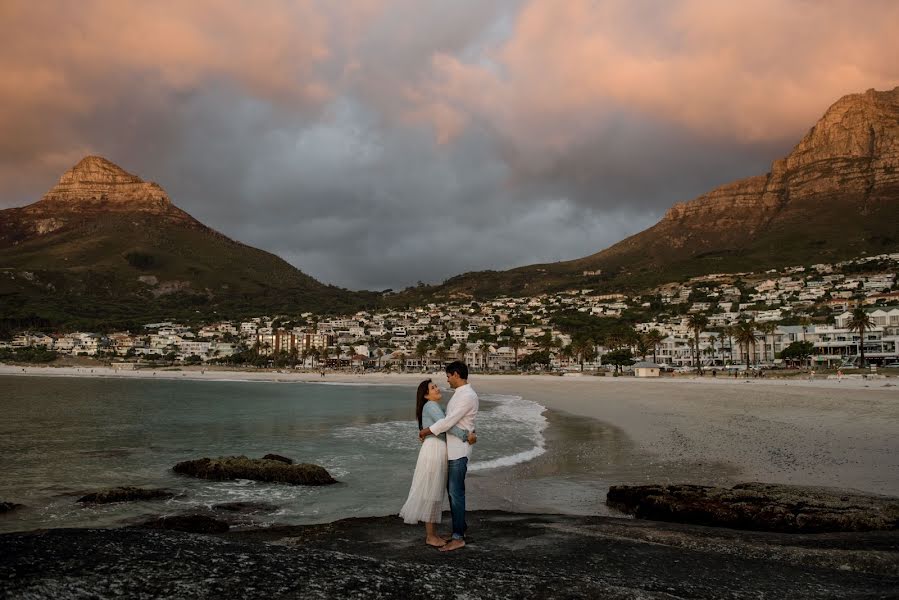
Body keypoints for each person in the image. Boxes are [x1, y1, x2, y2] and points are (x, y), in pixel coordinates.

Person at [399, 379, 475, 547]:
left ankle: (432, 533)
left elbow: (443, 425)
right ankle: (431, 536)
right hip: (434, 450)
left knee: (433, 490)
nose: (437, 388)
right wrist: (466, 435)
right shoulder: (431, 406)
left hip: (435, 448)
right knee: (431, 491)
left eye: (435, 386)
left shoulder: (432, 407)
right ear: (426, 395)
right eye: (433, 388)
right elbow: (446, 425)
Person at [419, 361, 479, 552]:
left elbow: (448, 422)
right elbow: (448, 421)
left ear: (455, 374)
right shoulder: (460, 395)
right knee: (453, 493)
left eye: (448, 376)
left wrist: (426, 431)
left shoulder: (466, 396)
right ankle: (459, 529)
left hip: (459, 451)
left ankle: (458, 537)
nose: (446, 380)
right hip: (452, 450)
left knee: (455, 493)